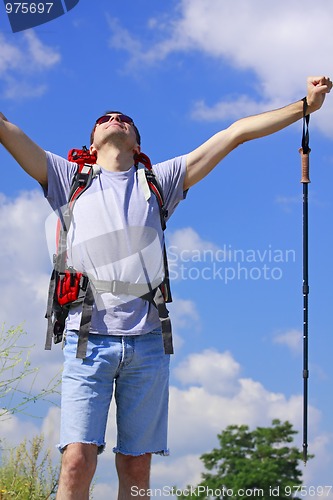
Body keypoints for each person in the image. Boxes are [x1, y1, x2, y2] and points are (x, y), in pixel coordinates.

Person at [0, 76, 331, 500]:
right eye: (105, 119)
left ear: (136, 144)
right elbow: (7, 127)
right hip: (88, 339)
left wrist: (305, 105)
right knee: (77, 460)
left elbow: (235, 133)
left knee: (137, 468)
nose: (115, 119)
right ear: (93, 142)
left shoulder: (160, 180)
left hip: (148, 343)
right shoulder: (69, 179)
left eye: (124, 120)